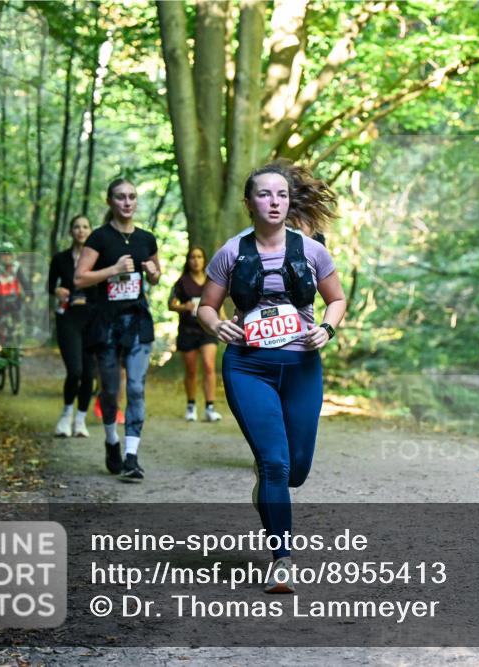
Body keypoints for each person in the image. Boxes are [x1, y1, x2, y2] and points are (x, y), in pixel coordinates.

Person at [197, 160, 346, 593]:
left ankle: (268, 487)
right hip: (248, 366)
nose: (274, 201)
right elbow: (207, 305)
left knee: (296, 469)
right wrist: (215, 324)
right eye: (264, 194)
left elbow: (336, 299)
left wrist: (327, 327)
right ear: (249, 203)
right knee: (276, 463)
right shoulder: (232, 251)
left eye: (281, 194)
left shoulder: (312, 250)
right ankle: (282, 560)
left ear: (288, 201)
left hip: (301, 367)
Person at [74, 178, 160, 482]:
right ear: (110, 201)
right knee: (110, 391)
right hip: (106, 323)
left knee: (135, 387)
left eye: (132, 197)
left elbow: (155, 276)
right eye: (121, 197)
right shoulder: (99, 238)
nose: (127, 202)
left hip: (137, 321)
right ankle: (112, 441)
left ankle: (131, 457)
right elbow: (79, 279)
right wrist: (112, 270)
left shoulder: (146, 239)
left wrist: (152, 273)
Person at [48, 216, 96, 437]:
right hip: (68, 318)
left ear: (90, 231)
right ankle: (66, 415)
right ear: (71, 231)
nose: (81, 230)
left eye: (85, 227)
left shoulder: (99, 258)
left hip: (92, 319)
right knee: (75, 370)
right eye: (77, 227)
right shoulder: (60, 259)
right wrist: (57, 291)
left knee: (88, 374)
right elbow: (50, 285)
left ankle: (80, 420)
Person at [169, 246, 222, 422]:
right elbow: (171, 304)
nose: (196, 260)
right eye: (192, 257)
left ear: (204, 260)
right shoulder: (181, 282)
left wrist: (224, 323)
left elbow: (218, 305)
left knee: (208, 365)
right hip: (188, 330)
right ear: (188, 260)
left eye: (199, 257)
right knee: (191, 370)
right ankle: (191, 405)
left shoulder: (211, 280)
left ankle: (210, 407)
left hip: (207, 330)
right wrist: (184, 307)